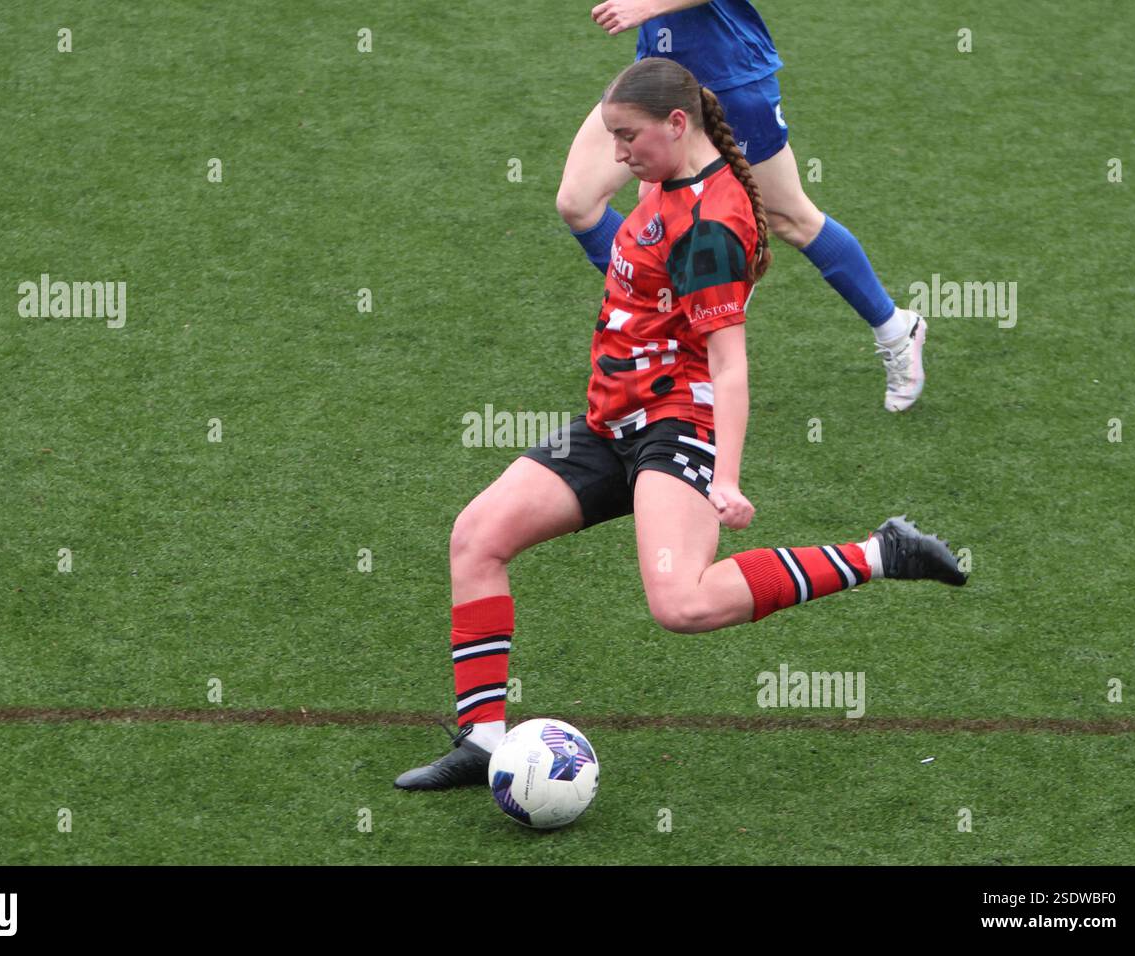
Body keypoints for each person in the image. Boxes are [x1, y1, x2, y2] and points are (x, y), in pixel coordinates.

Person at [394, 59, 965, 791]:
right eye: (612, 137)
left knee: (683, 604)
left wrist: (724, 477)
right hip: (610, 418)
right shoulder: (665, 175)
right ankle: (481, 740)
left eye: (627, 137)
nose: (619, 153)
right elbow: (585, 194)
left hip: (675, 423)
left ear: (676, 125)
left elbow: (730, 367)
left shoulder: (710, 231)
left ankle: (881, 553)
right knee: (477, 538)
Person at [557, 0, 926, 412]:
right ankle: (672, 329)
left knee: (790, 218)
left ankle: (896, 330)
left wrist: (648, 6)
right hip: (659, 75)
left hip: (729, 73)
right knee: (579, 202)